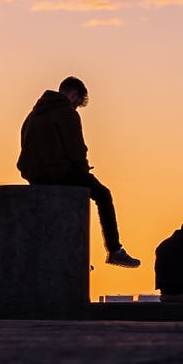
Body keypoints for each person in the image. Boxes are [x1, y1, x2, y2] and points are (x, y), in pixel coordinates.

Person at [16, 76, 140, 267]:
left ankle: (69, 255)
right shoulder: (66, 113)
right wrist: (83, 169)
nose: (76, 108)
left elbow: (25, 145)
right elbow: (76, 149)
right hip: (60, 173)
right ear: (73, 95)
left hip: (35, 176)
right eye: (77, 103)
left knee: (60, 209)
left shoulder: (33, 115)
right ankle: (114, 250)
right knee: (103, 195)